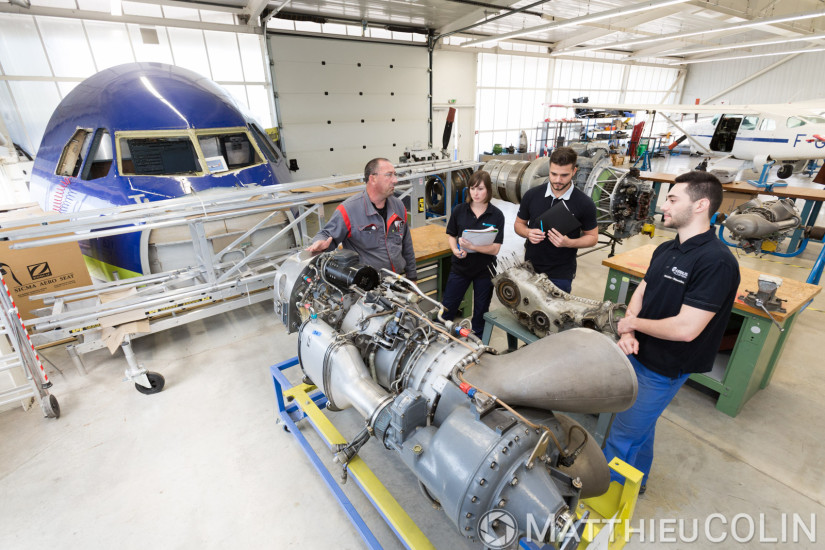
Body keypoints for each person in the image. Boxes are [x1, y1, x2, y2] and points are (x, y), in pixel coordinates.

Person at [603, 170, 740, 493]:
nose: (664, 205)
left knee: (621, 436)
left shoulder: (715, 262)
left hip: (663, 367)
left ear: (700, 205)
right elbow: (643, 290)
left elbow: (687, 329)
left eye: (673, 199)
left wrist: (632, 323)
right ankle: (639, 483)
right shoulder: (667, 249)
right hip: (636, 352)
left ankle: (598, 512)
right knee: (641, 428)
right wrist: (628, 332)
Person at [307, 158, 416, 280]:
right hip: (367, 286)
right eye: (389, 175)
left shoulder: (399, 206)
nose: (395, 180)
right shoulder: (349, 209)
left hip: (398, 280)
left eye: (395, 175)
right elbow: (326, 234)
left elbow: (407, 245)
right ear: (372, 178)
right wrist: (321, 243)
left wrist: (412, 277)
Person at [514, 147, 598, 293]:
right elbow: (519, 224)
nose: (558, 180)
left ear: (574, 171)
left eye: (564, 175)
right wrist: (527, 233)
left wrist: (569, 243)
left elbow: (592, 237)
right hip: (530, 269)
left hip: (561, 274)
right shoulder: (532, 195)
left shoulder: (584, 203)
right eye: (553, 174)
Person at [441, 170, 505, 336]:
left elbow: (495, 248)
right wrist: (455, 250)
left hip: (485, 270)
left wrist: (473, 247)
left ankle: (477, 343)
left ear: (488, 190)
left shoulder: (497, 215)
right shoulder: (459, 210)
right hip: (460, 268)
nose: (476, 193)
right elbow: (451, 235)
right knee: (448, 307)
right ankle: (440, 336)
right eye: (473, 188)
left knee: (481, 311)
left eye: (481, 189)